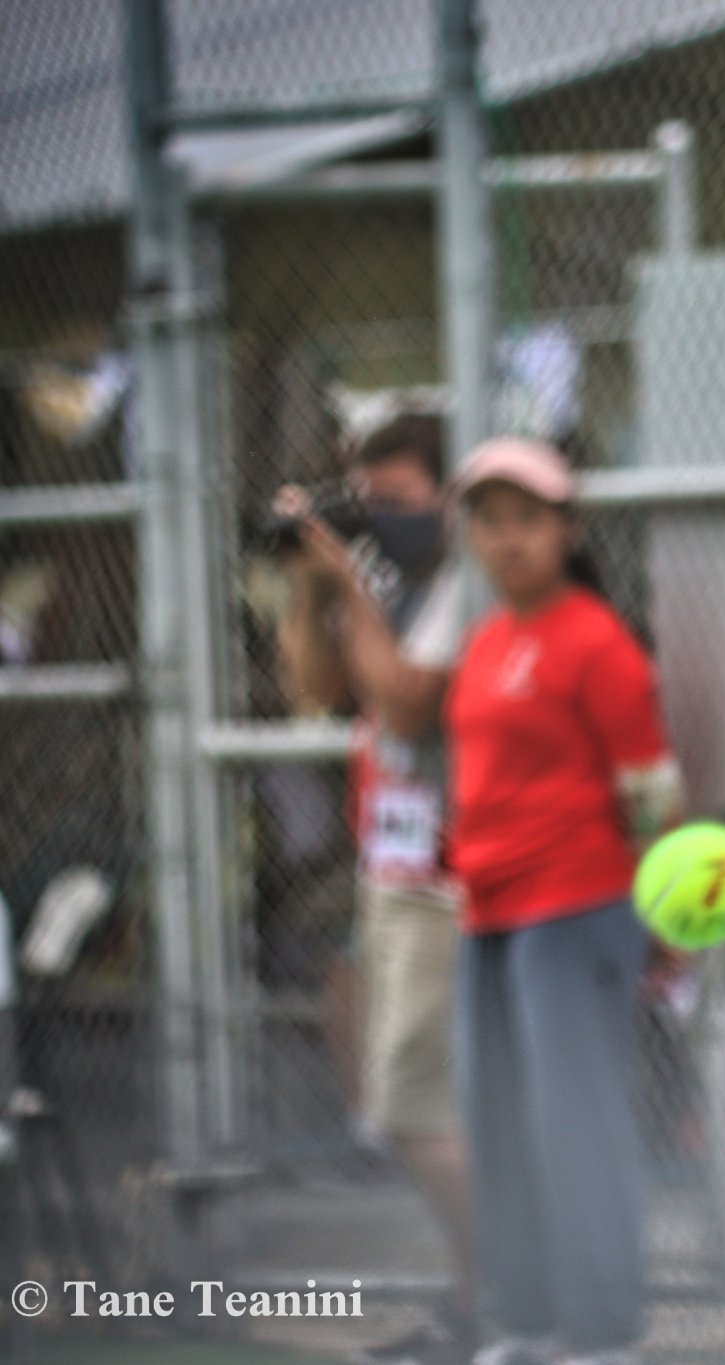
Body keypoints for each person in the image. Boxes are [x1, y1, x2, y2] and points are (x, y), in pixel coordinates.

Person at [442, 438, 682, 1365]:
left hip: (578, 905)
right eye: (489, 521)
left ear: (568, 529)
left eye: (527, 520)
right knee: (498, 1121)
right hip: (487, 912)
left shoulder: (596, 639)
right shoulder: (486, 639)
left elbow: (651, 789)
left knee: (576, 1121)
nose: (506, 539)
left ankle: (604, 1332)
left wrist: (666, 919)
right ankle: (528, 1324)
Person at [273, 412, 484, 1365]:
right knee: (416, 1108)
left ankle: (504, 1297)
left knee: (410, 1108)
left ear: (447, 495)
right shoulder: (386, 579)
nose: (382, 520)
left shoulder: (467, 581)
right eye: (370, 503)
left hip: (450, 875)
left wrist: (350, 587)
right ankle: (480, 1302)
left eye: (399, 500)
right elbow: (317, 685)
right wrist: (310, 581)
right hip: (390, 867)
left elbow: (404, 700)